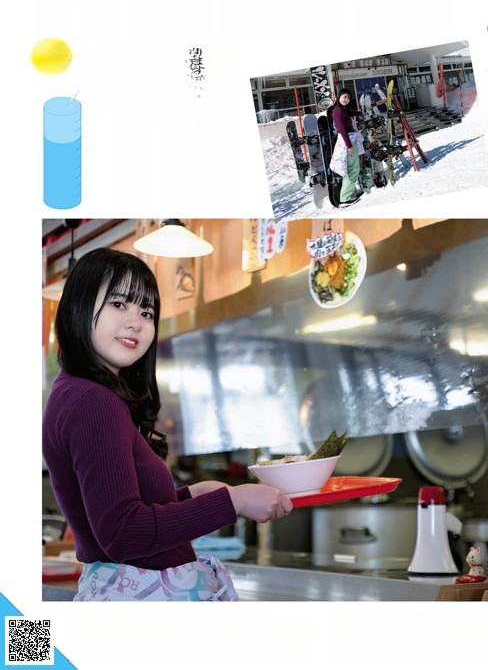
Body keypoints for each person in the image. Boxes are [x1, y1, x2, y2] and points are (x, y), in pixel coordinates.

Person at [42, 247, 293, 601]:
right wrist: (232, 502)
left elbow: (116, 510)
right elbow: (123, 534)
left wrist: (188, 496)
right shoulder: (92, 401)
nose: (136, 322)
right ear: (79, 306)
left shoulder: (77, 392)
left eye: (146, 311)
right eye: (118, 304)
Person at [328, 88, 364, 206]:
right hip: (346, 141)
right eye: (344, 97)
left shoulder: (342, 110)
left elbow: (351, 113)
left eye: (348, 97)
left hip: (349, 140)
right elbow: (342, 130)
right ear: (339, 97)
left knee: (351, 168)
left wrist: (361, 111)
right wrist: (349, 146)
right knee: (353, 169)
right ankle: (345, 198)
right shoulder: (338, 111)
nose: (346, 99)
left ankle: (351, 193)